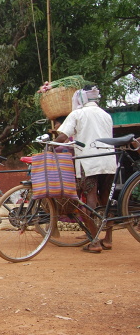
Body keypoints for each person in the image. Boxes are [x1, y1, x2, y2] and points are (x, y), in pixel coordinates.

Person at [54, 85, 117, 253]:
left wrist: (51, 147)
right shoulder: (106, 115)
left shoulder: (78, 114)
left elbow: (62, 137)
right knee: (105, 200)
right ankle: (108, 239)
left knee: (89, 200)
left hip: (88, 162)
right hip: (109, 162)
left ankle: (94, 241)